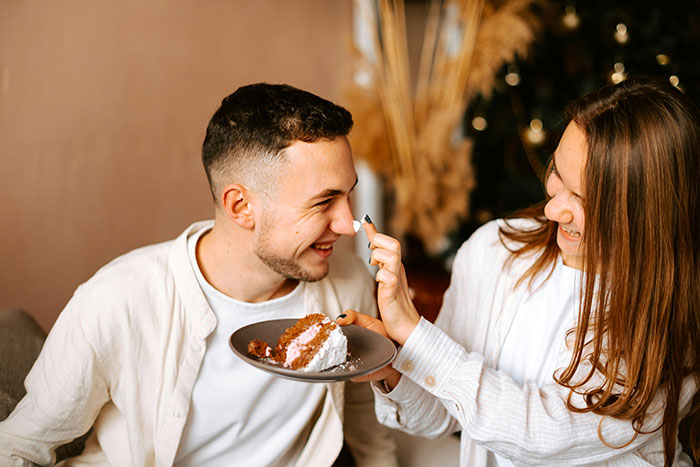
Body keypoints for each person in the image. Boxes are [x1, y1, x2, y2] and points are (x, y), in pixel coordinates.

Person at [0, 83, 398, 466]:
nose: (349, 224)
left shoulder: (348, 283)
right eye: (324, 201)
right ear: (240, 206)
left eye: (348, 195)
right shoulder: (117, 300)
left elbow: (368, 429)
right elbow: (19, 447)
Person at [340, 76, 700, 466]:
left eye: (586, 199)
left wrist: (416, 334)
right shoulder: (494, 249)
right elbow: (443, 413)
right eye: (558, 174)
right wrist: (394, 364)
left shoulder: (669, 314)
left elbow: (542, 436)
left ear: (650, 215)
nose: (552, 209)